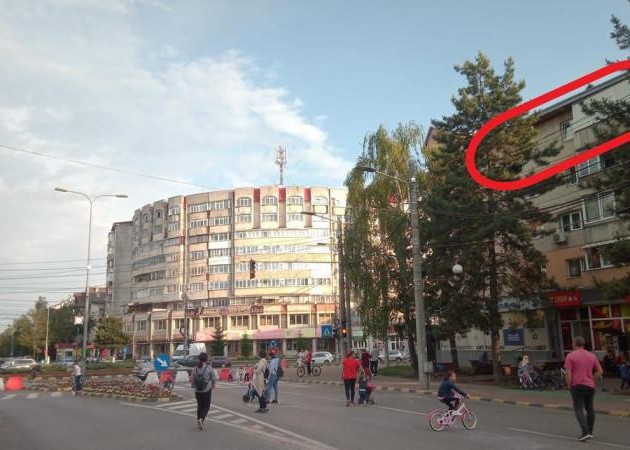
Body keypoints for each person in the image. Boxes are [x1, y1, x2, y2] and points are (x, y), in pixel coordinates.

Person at [564, 336, 603, 442]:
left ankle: (585, 432)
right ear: (583, 344)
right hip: (590, 385)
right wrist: (592, 379)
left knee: (578, 409)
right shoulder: (592, 356)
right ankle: (590, 431)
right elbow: (600, 371)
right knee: (590, 408)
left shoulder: (570, 356)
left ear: (575, 344)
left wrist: (569, 385)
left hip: (577, 385)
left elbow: (568, 373)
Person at [190, 352, 217, 431]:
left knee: (200, 405)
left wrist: (193, 386)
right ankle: (201, 419)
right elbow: (213, 378)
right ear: (206, 359)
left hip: (197, 390)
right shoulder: (209, 368)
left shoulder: (195, 368)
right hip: (206, 390)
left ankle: (199, 420)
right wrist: (213, 384)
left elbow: (192, 379)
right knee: (206, 406)